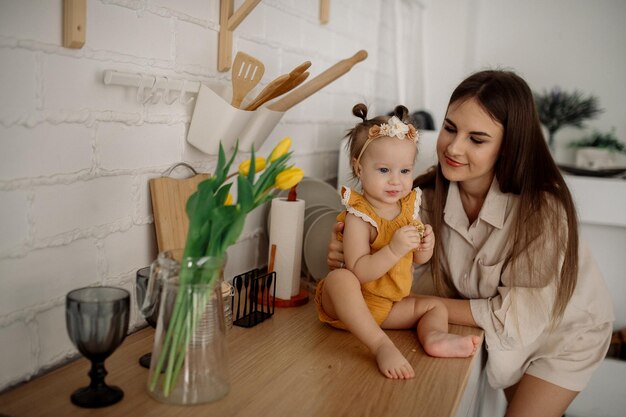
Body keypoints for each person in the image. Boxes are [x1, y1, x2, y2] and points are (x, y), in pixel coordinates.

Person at [326, 70, 614, 417]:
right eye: (450, 128)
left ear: (507, 147)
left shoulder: (543, 212)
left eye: (476, 139)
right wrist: (353, 256)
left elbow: (515, 317)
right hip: (497, 330)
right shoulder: (424, 197)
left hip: (563, 333)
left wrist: (421, 306)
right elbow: (393, 264)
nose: (454, 147)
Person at [315, 104, 481, 381]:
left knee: (435, 306)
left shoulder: (407, 208)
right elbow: (359, 271)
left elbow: (417, 260)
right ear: (359, 168)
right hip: (353, 306)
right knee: (340, 279)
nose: (396, 181)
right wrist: (394, 249)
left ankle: (436, 337)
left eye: (404, 171)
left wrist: (424, 247)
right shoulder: (360, 216)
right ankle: (380, 345)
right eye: (383, 170)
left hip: (390, 306)